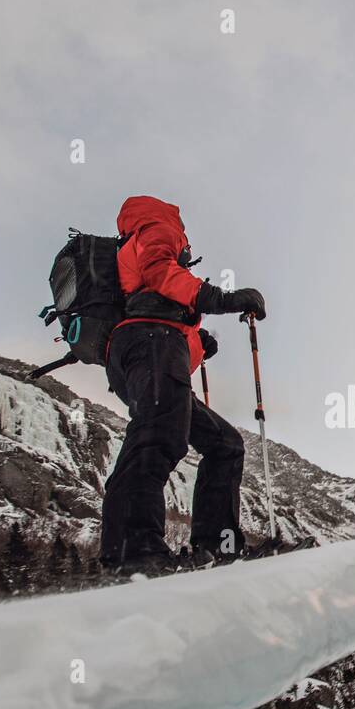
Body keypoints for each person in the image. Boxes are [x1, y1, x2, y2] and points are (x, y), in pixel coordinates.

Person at [100, 195, 267, 573]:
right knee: (158, 434)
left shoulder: (140, 239)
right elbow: (160, 275)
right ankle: (133, 553)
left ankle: (219, 546)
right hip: (151, 342)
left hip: (154, 346)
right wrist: (222, 299)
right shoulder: (159, 228)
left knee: (225, 444)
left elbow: (156, 298)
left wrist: (196, 342)